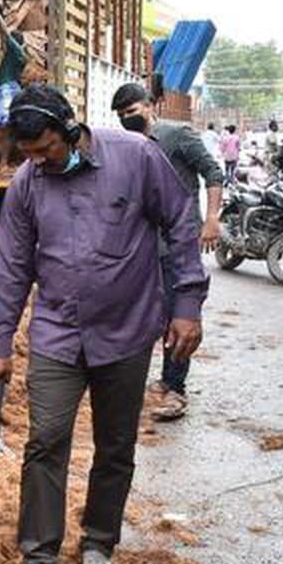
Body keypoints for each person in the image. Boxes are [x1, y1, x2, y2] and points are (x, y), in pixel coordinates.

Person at [0, 85, 208, 564]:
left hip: (127, 329)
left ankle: (98, 544)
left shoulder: (135, 156)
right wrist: (0, 345)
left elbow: (179, 222)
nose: (38, 162)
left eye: (45, 150)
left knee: (114, 444)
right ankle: (39, 561)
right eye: (29, 155)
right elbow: (13, 266)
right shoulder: (27, 182)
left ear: (69, 128)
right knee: (46, 440)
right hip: (58, 332)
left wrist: (187, 305)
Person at [112, 82, 222, 422]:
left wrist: (212, 219)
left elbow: (213, 172)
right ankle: (158, 380)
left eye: (132, 112)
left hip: (179, 242)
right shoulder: (129, 146)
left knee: (180, 313)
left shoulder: (178, 136)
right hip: (144, 242)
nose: (127, 119)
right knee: (147, 313)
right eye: (121, 115)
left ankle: (175, 389)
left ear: (150, 106)